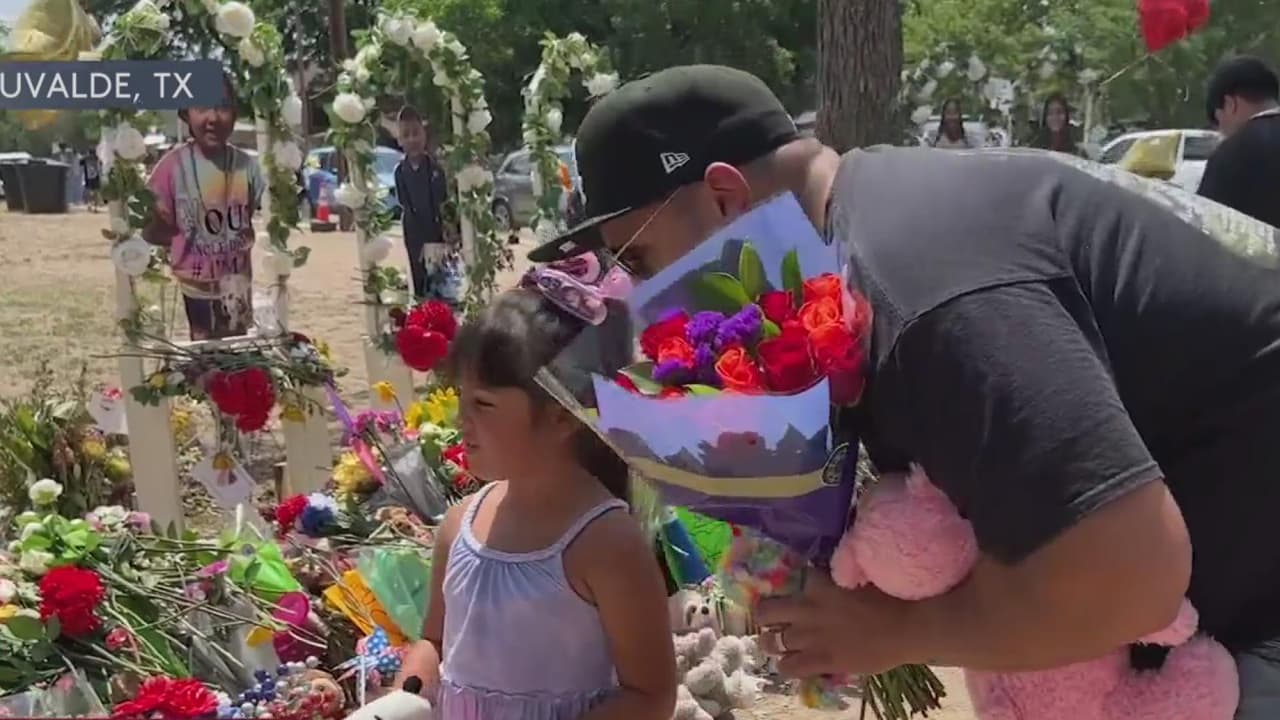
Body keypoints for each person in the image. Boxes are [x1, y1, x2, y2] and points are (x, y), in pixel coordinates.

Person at [527, 64, 1280, 717]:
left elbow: (1131, 574)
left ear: (724, 197)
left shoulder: (918, 289)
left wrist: (893, 633)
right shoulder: (882, 224)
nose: (647, 299)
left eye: (641, 258)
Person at [393, 287, 677, 719]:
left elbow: (650, 694)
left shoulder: (605, 543)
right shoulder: (458, 525)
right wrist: (408, 692)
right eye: (461, 397)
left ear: (562, 415)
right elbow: (434, 641)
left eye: (483, 403)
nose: (461, 419)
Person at [143, 72, 262, 340]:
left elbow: (251, 209)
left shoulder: (247, 167)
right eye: (202, 107)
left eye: (223, 107)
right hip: (195, 286)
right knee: (203, 348)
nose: (213, 118)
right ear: (185, 114)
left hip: (238, 282)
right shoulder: (171, 168)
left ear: (235, 112)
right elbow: (151, 228)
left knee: (238, 347)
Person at [1197, 56, 1280, 228]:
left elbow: (1205, 229)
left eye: (1219, 120)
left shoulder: (1231, 155)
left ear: (1231, 104)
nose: (1221, 132)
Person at [392, 106, 456, 304]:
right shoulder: (400, 171)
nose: (412, 139)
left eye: (416, 133)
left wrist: (448, 229)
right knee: (418, 278)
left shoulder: (435, 169)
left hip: (435, 231)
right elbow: (403, 201)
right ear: (399, 140)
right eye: (406, 135)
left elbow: (442, 200)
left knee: (438, 282)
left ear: (424, 134)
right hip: (413, 232)